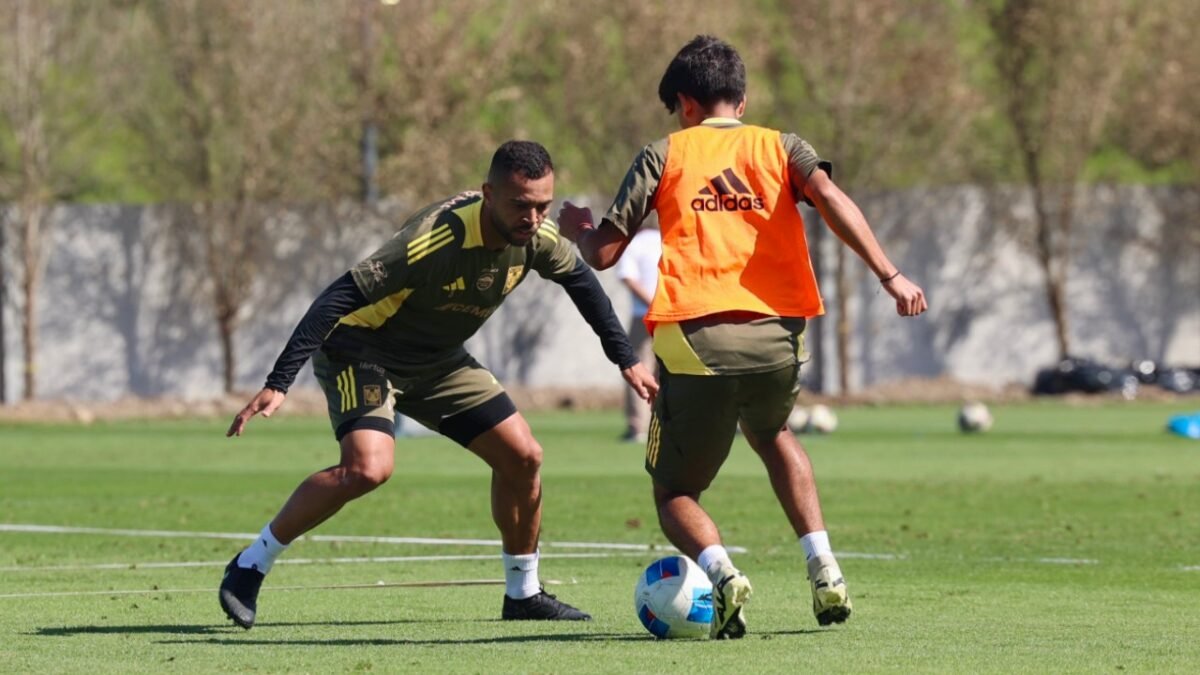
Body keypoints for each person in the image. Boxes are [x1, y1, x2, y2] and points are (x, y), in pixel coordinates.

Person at [557, 36, 927, 639]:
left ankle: (723, 574)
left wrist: (576, 225)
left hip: (695, 338)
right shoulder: (782, 146)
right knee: (773, 433)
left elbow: (603, 253)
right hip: (778, 339)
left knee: (674, 489)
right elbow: (830, 198)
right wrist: (890, 273)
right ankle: (824, 564)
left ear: (684, 103)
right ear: (742, 97)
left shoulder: (664, 153)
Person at [220, 140, 658, 629]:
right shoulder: (437, 238)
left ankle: (523, 593)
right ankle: (250, 565)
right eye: (520, 205)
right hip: (363, 348)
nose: (533, 218)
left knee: (524, 455)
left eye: (543, 205)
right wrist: (279, 382)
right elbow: (337, 296)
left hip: (439, 362)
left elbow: (582, 283)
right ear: (488, 193)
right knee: (369, 468)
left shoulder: (537, 236)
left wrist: (626, 360)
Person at [614, 220, 661, 443]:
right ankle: (665, 422)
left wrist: (651, 304)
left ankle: (637, 426)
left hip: (643, 314)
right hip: (674, 315)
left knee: (637, 368)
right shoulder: (669, 239)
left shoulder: (634, 244)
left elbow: (628, 277)